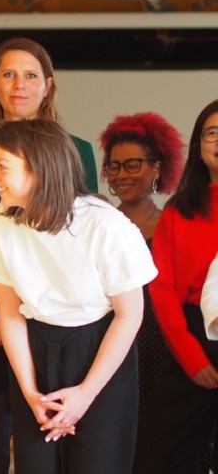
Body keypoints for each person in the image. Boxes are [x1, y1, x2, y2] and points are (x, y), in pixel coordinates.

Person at [0, 37, 98, 474]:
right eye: (8, 74)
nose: (19, 84)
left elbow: (84, 245)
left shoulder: (77, 152)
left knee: (55, 456)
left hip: (55, 332)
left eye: (31, 75)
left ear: (48, 86)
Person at [0, 118, 154, 474]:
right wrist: (30, 393)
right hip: (35, 350)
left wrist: (85, 394)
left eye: (3, 167)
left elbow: (130, 314)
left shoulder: (105, 225)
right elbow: (9, 315)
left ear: (39, 169)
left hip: (101, 351)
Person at [135, 99, 218, 474]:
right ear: (200, 147)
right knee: (157, 453)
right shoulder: (179, 211)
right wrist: (191, 357)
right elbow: (162, 289)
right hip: (192, 339)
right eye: (212, 133)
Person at [98, 112, 184, 414]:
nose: (122, 175)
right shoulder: (99, 225)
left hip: (165, 347)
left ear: (158, 168)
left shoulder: (172, 225)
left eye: (133, 164)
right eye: (114, 166)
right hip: (109, 345)